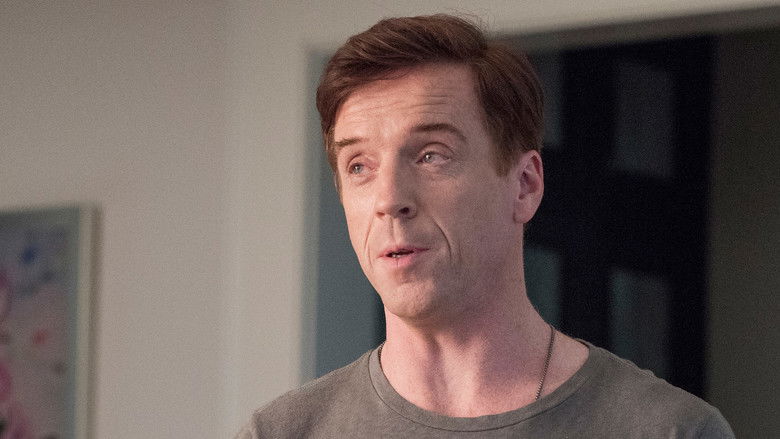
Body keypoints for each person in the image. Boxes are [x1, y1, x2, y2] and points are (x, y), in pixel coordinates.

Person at [237, 14, 734, 438]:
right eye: (359, 166)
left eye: (431, 155)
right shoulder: (281, 432)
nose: (389, 200)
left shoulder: (670, 430)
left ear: (524, 186)